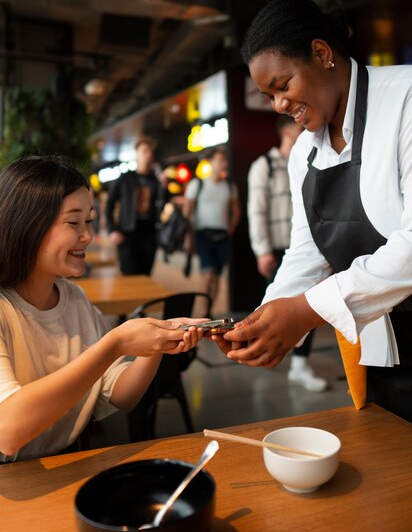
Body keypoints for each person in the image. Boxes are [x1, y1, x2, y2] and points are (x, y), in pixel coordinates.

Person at [214, 0, 412, 425]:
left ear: (322, 54)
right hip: (385, 347)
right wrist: (263, 320)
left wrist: (306, 312)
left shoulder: (408, 99)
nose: (279, 106)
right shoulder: (303, 153)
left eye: (283, 86)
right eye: (268, 96)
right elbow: (307, 250)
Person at [0, 156, 206, 462]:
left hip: (67, 465)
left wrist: (157, 342)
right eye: (73, 222)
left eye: (89, 221)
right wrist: (115, 344)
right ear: (27, 224)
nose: (87, 236)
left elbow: (122, 395)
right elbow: (8, 431)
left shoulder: (76, 300)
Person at [247, 115, 327, 392]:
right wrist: (262, 249)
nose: (303, 128)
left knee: (309, 304)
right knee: (278, 307)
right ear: (285, 130)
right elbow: (256, 209)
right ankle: (270, 351)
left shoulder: (310, 157)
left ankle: (300, 365)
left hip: (307, 245)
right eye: (295, 125)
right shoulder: (264, 166)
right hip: (278, 247)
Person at [183, 148, 241, 304]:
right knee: (207, 274)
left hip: (222, 235)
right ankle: (202, 310)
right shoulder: (198, 184)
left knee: (216, 277)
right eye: (221, 160)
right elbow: (186, 212)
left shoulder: (229, 186)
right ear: (211, 162)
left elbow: (236, 211)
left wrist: (231, 229)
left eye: (225, 160)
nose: (225, 164)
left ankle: (209, 310)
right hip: (203, 234)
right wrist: (187, 235)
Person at [105, 136, 163, 275]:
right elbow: (109, 204)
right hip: (127, 233)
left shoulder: (156, 181)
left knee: (145, 275)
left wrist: (164, 188)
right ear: (137, 154)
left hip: (149, 233)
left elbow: (161, 205)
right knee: (129, 274)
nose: (148, 154)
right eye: (145, 151)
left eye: (150, 151)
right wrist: (112, 229)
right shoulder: (125, 178)